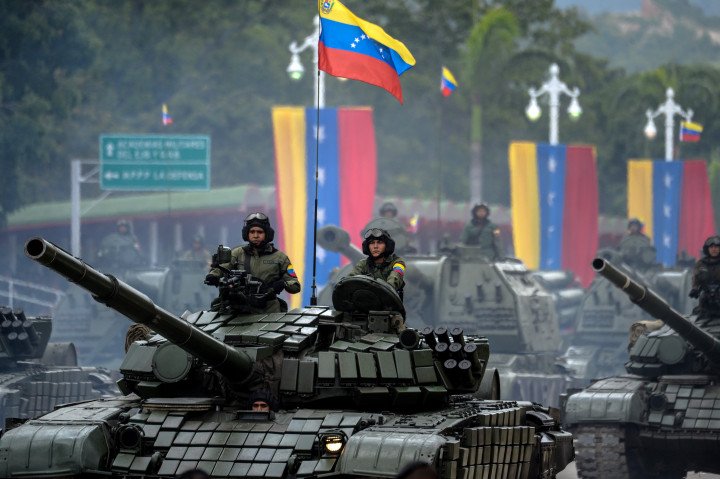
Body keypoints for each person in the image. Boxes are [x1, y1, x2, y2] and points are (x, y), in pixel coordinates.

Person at [205, 212, 300, 313]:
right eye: (252, 232)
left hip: (269, 311)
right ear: (247, 234)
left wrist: (283, 284)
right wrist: (213, 275)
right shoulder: (238, 253)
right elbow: (222, 268)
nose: (255, 235)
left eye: (260, 232)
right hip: (241, 310)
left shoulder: (280, 258)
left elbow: (295, 286)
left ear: (267, 234)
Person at [349, 228, 406, 297]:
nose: (375, 246)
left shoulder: (398, 263)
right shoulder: (363, 264)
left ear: (387, 246)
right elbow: (351, 280)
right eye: (372, 243)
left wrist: (387, 288)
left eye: (379, 242)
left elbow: (395, 278)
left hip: (389, 304)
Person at [689, 235, 720, 316]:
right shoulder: (701, 264)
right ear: (707, 249)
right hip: (706, 301)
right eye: (711, 247)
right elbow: (695, 278)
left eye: (716, 247)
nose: (714, 249)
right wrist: (695, 289)